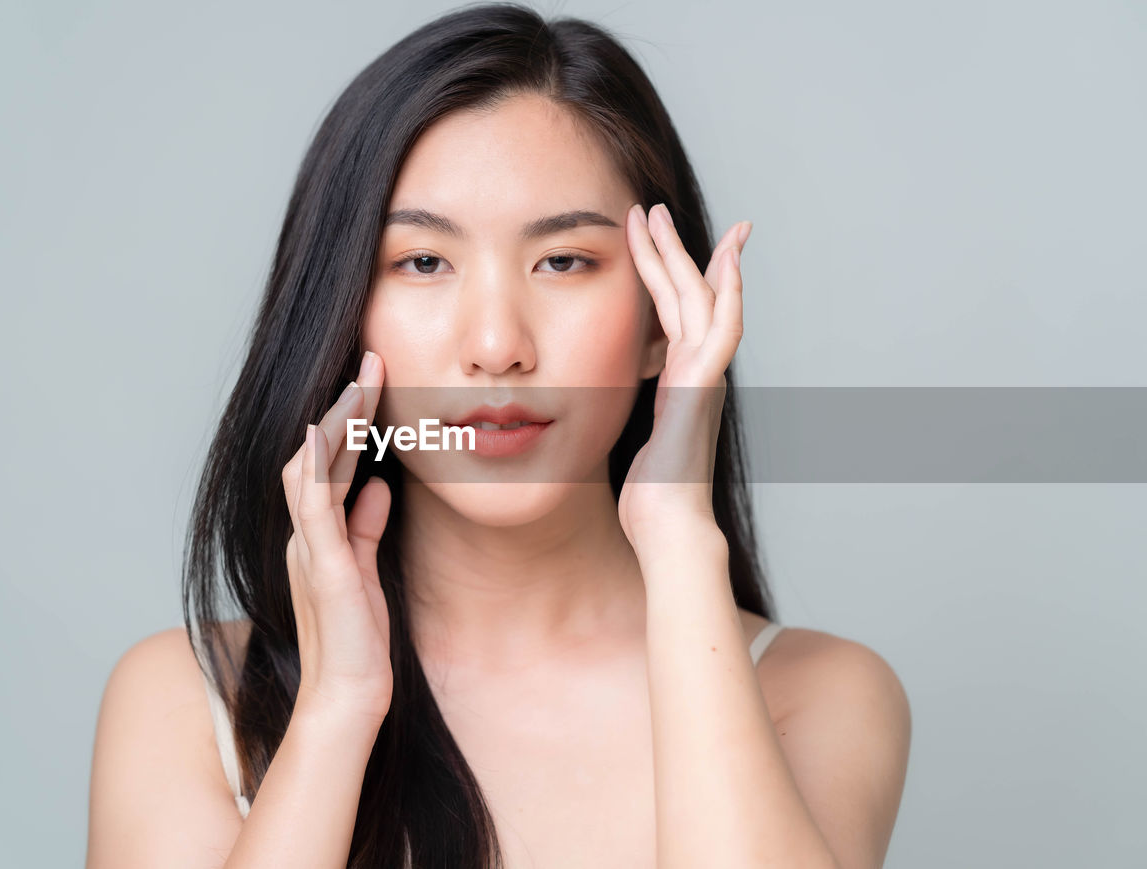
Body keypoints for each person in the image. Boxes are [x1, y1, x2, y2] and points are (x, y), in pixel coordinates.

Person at [86, 4, 911, 867]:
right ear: (340, 309)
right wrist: (338, 708)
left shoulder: (816, 695)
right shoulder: (191, 701)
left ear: (667, 318)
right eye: (423, 263)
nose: (495, 349)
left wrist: (676, 539)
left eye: (563, 262)